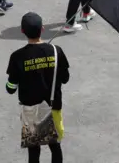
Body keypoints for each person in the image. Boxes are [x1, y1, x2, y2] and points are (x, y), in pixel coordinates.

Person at [5, 12, 70, 163]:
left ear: (22, 31)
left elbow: (11, 88)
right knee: (55, 145)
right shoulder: (56, 51)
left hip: (30, 110)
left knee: (33, 149)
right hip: (53, 106)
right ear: (43, 29)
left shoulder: (17, 56)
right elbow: (65, 79)